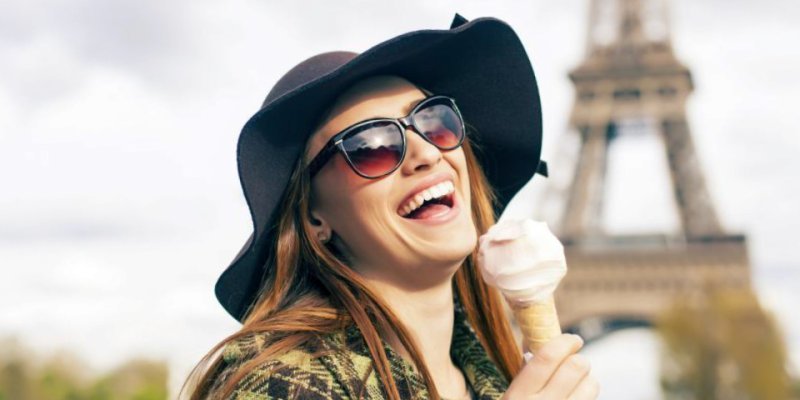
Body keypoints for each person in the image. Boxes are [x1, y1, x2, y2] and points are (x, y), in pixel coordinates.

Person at [182, 14, 598, 400]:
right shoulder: (283, 385)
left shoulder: (499, 379)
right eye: (371, 146)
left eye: (435, 120)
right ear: (313, 218)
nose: (426, 152)